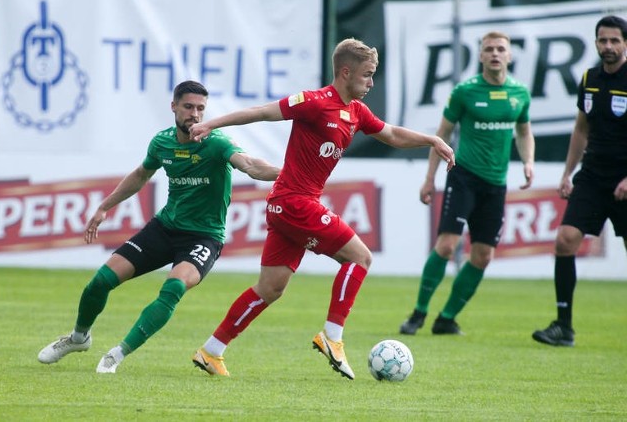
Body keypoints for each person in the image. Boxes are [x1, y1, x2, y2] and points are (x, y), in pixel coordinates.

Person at [187, 38, 455, 379]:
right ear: (346, 72)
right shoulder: (314, 102)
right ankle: (333, 336)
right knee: (360, 257)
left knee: (270, 288)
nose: (372, 83)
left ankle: (212, 351)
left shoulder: (356, 111)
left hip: (289, 207)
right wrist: (211, 124)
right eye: (367, 75)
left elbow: (391, 135)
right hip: (294, 202)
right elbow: (261, 112)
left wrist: (432, 139)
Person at [37, 80, 280, 373]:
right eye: (189, 107)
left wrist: (287, 173)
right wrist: (104, 207)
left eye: (201, 109)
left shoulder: (216, 142)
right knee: (100, 282)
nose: (195, 114)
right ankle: (78, 338)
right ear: (174, 107)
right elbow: (141, 174)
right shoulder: (162, 142)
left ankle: (117, 354)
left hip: (203, 238)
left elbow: (250, 165)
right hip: (164, 228)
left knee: (173, 287)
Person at [399, 31, 535, 336]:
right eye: (489, 49)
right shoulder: (465, 91)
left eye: (501, 48)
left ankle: (446, 318)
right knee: (447, 245)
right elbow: (442, 135)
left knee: (483, 255)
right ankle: (419, 312)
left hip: (496, 184)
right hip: (464, 177)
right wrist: (429, 178)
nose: (496, 53)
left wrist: (528, 161)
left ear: (510, 55)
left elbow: (524, 132)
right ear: (481, 56)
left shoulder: (520, 93)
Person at [532, 15, 627, 347]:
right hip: (593, 176)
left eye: (615, 40)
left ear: (625, 43)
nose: (608, 46)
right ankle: (563, 326)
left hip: (624, 180)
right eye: (603, 40)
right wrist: (567, 172)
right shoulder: (589, 78)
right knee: (565, 240)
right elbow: (581, 128)